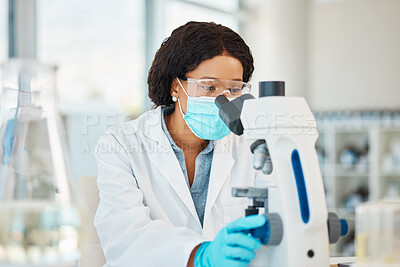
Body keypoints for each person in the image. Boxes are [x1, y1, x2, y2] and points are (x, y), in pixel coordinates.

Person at [94, 21, 267, 267]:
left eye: (234, 88)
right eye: (209, 87)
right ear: (176, 86)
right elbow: (124, 237)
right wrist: (200, 255)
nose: (224, 100)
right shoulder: (121, 144)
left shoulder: (251, 144)